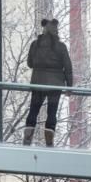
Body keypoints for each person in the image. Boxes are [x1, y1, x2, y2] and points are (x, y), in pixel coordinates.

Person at [23, 18, 73, 147]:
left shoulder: (35, 44)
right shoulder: (61, 46)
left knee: (33, 110)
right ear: (56, 30)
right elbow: (68, 67)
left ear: (44, 29)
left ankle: (27, 138)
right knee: (52, 112)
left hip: (38, 82)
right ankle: (49, 139)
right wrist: (69, 87)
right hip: (54, 85)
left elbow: (30, 63)